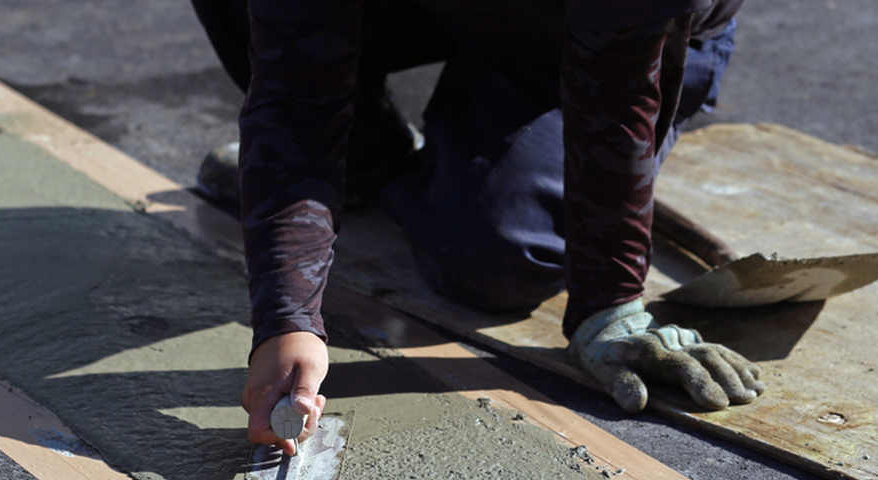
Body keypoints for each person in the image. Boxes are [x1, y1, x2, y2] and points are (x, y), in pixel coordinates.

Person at [192, 0, 765, 455]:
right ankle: (369, 159)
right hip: (463, 13)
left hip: (621, 40)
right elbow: (295, 105)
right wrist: (287, 320)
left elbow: (617, 107)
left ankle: (468, 144)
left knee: (498, 258)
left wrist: (609, 301)